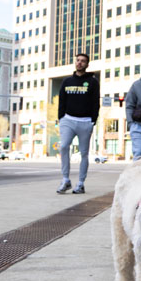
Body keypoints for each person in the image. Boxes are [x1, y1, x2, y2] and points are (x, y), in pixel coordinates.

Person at [57, 52, 100, 194]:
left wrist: (92, 121)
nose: (79, 63)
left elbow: (95, 103)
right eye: (77, 60)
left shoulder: (93, 82)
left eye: (83, 61)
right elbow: (61, 101)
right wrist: (61, 118)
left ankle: (80, 183)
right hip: (68, 119)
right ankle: (65, 180)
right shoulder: (67, 82)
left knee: (84, 153)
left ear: (87, 65)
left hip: (85, 121)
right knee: (63, 147)